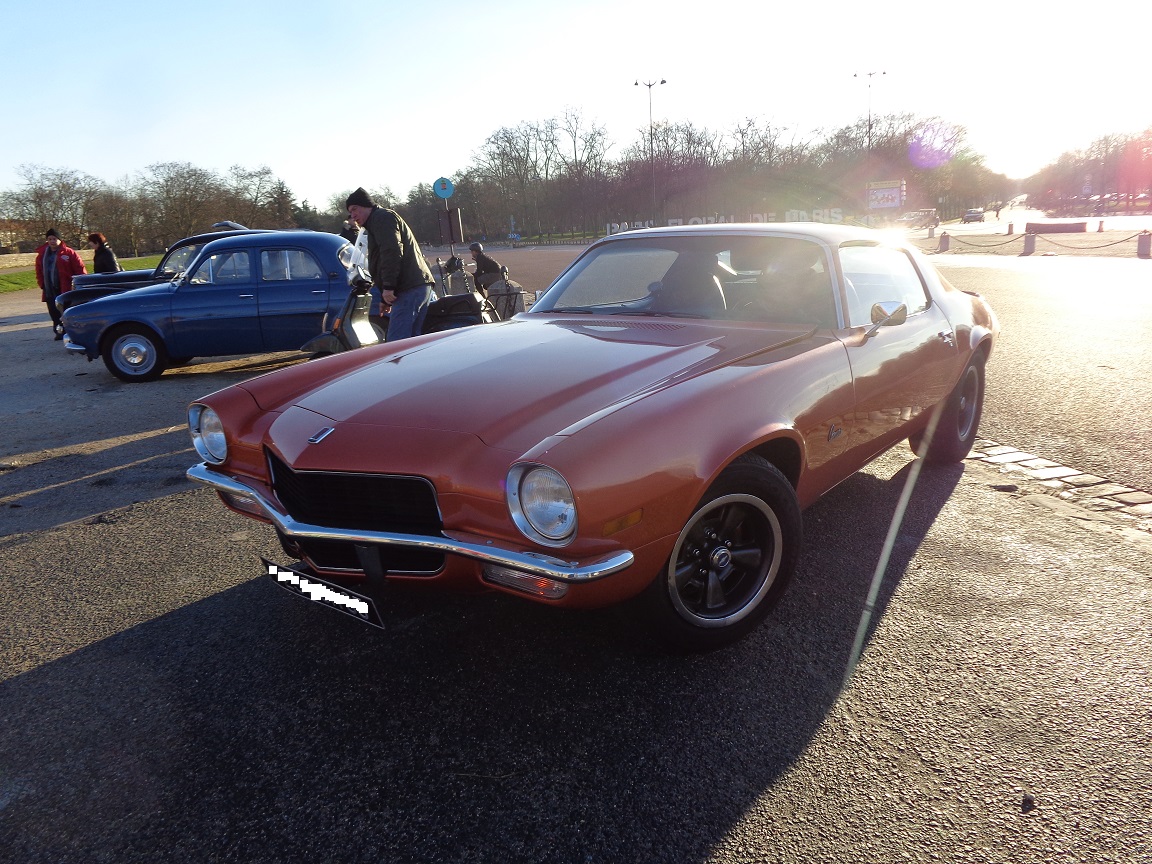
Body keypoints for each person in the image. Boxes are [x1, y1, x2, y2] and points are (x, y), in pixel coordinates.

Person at [345, 187, 436, 341]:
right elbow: (385, 257)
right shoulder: (377, 221)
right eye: (350, 212)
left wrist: (388, 287)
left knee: (397, 343)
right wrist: (384, 298)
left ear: (367, 206)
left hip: (409, 287)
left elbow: (391, 252)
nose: (353, 215)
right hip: (413, 285)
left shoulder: (382, 218)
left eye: (355, 209)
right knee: (412, 343)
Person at [35, 228, 87, 339]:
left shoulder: (69, 253)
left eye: (54, 239)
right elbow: (39, 271)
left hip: (65, 288)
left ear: (60, 240)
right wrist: (42, 284)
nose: (52, 241)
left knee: (66, 311)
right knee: (53, 312)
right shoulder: (42, 255)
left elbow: (80, 269)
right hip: (49, 288)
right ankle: (59, 331)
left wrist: (80, 284)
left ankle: (70, 332)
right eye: (49, 239)